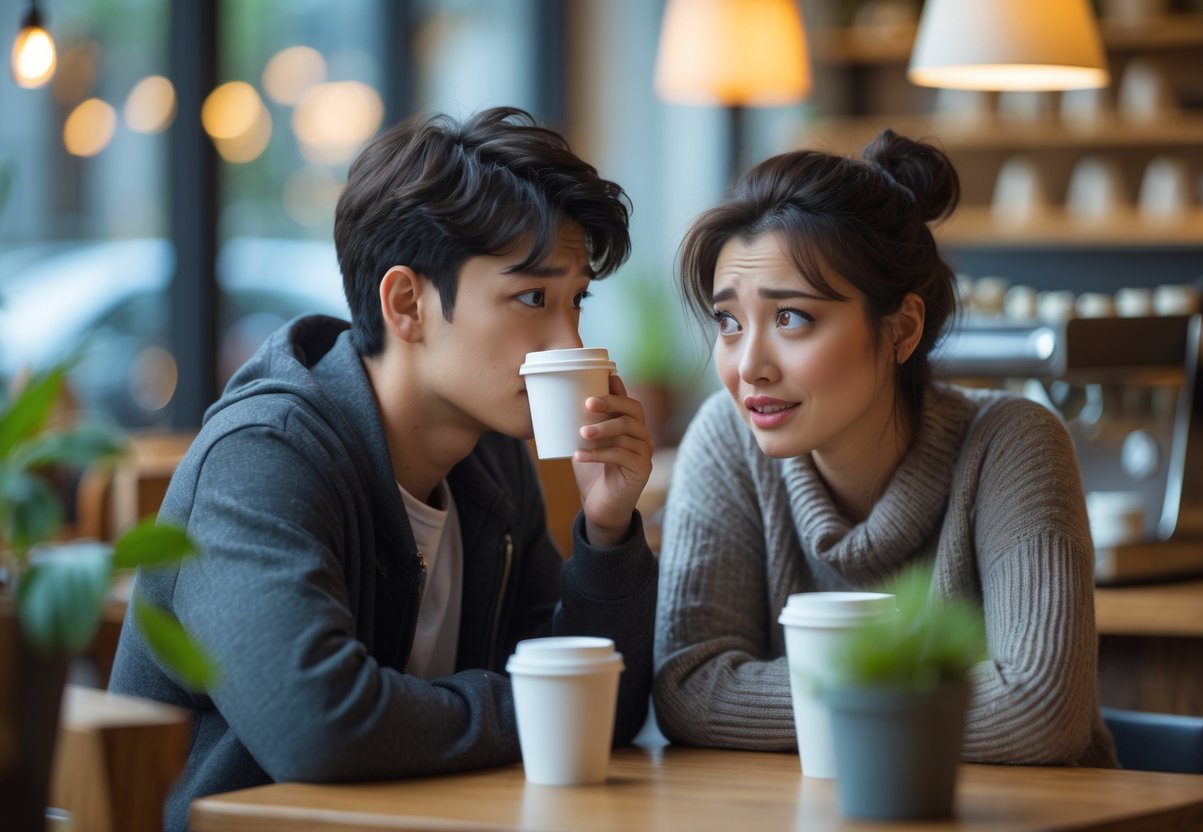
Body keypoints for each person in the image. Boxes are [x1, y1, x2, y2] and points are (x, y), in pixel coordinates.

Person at [109, 106, 659, 831]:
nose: (569, 339)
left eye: (575, 300)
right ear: (407, 303)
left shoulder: (489, 459)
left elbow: (603, 711)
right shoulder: (260, 458)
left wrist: (608, 528)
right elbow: (319, 725)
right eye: (532, 298)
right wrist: (546, 703)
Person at [652, 129, 1116, 767]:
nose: (748, 366)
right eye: (729, 322)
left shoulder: (1012, 445)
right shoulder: (726, 440)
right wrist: (926, 695)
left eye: (791, 317)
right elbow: (689, 690)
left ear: (901, 329)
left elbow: (1038, 711)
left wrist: (785, 697)